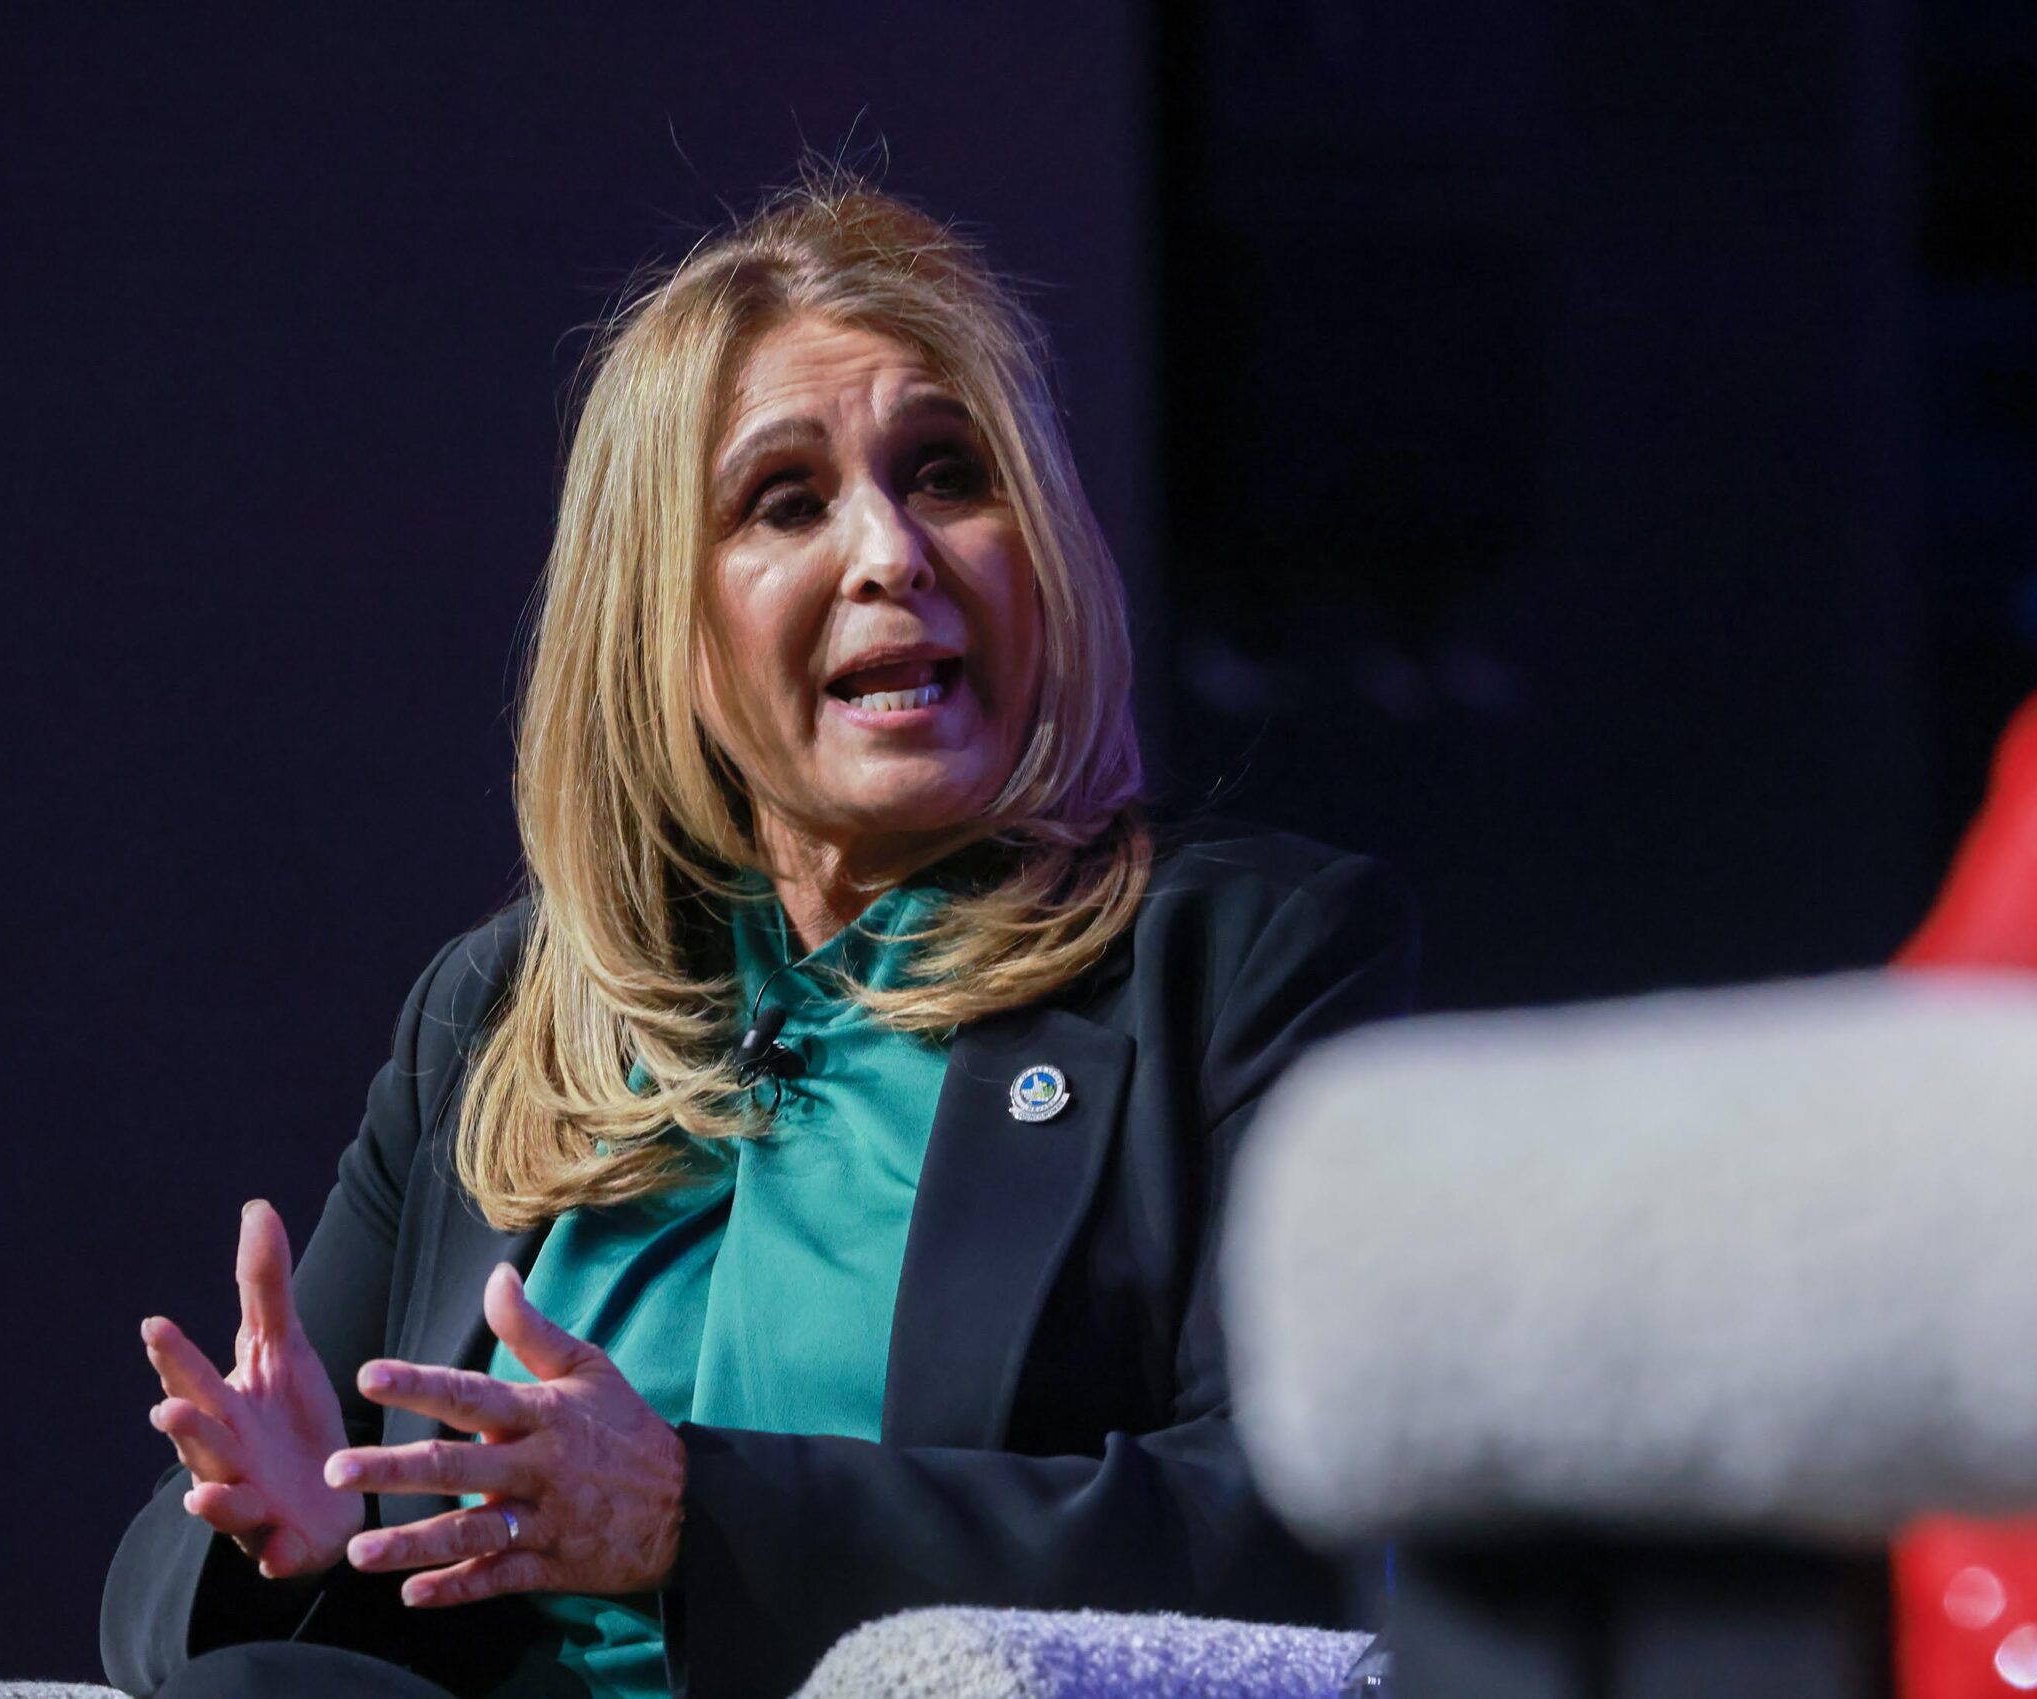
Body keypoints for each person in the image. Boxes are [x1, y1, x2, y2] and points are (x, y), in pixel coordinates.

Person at [99, 176, 1420, 1699]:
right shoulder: (505, 1016)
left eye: (946, 474)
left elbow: (1294, 1527)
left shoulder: (1236, 958)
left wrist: (691, 1514)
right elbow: (162, 1597)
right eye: (787, 502)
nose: (891, 551)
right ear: (661, 618)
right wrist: (299, 1532)